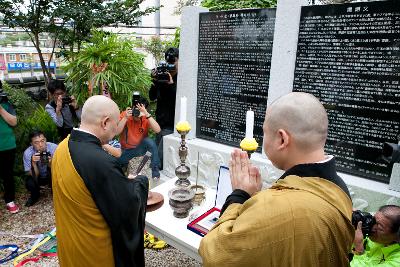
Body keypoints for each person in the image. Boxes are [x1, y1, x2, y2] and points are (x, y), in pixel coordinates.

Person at [199, 92, 354, 266]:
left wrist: (239, 195)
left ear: (282, 139)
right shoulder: (338, 188)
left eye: (264, 132)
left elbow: (215, 254)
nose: (262, 138)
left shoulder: (276, 207)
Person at [52, 95, 149, 267]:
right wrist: (138, 182)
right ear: (105, 122)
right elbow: (127, 207)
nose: (116, 131)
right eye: (115, 124)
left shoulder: (62, 147)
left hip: (69, 245)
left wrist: (118, 182)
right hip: (93, 252)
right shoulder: (100, 161)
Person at [117, 95, 161, 179]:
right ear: (132, 107)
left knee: (149, 141)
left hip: (140, 149)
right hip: (126, 151)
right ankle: (124, 167)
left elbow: (158, 130)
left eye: (139, 110)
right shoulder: (125, 115)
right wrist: (125, 118)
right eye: (136, 109)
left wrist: (146, 114)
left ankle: (155, 173)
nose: (137, 113)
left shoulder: (145, 117)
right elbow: (116, 132)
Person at [149, 47, 179, 169]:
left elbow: (180, 100)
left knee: (159, 160)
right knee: (156, 158)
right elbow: (152, 97)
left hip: (173, 125)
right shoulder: (162, 75)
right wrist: (156, 81)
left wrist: (171, 84)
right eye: (169, 62)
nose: (171, 65)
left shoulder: (183, 79)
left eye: (174, 62)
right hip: (160, 123)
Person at [23, 130, 57, 207]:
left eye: (42, 141)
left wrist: (50, 163)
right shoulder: (28, 153)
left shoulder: (54, 148)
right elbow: (31, 175)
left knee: (56, 174)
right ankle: (35, 196)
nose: (40, 145)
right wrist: (34, 163)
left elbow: (60, 170)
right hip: (38, 177)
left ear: (46, 139)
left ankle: (55, 192)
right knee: (29, 182)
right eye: (36, 142)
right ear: (31, 144)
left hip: (50, 174)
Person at [0, 81, 19, 213]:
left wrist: (0, 109)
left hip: (7, 145)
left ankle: (9, 200)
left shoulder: (6, 104)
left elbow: (13, 121)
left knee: (8, 174)